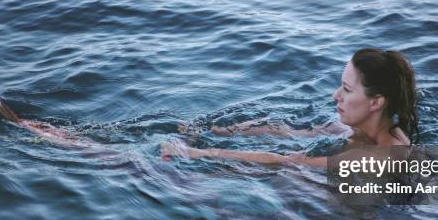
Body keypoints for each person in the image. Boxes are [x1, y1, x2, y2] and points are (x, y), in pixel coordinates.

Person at [160, 48, 419, 167]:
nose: (335, 95)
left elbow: (289, 161)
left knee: (292, 178)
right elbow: (285, 129)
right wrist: (214, 130)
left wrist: (196, 153)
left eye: (347, 90)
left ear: (376, 103)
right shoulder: (359, 128)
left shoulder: (381, 156)